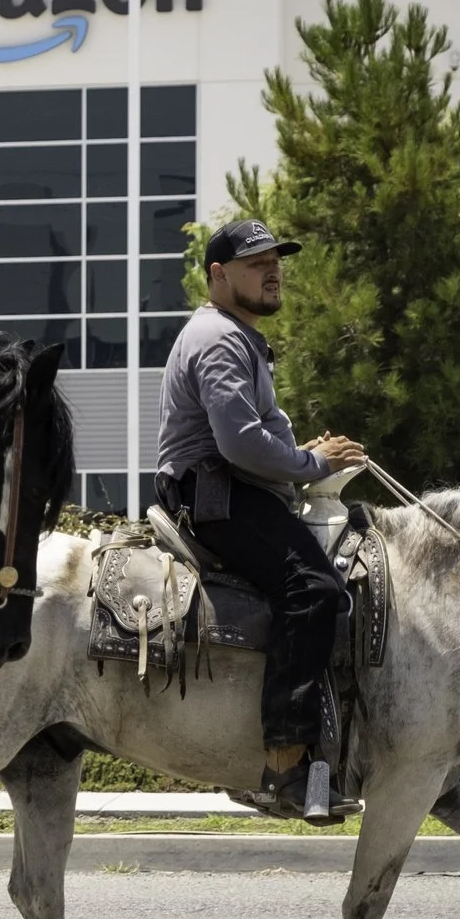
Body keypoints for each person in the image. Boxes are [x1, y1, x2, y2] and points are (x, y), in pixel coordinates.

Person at [155, 219, 366, 820]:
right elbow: (240, 443)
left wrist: (304, 457)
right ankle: (284, 769)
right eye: (255, 264)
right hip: (218, 497)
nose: (272, 272)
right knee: (315, 590)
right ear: (219, 275)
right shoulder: (220, 338)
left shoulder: (233, 334)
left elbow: (254, 438)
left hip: (232, 490)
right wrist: (312, 461)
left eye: (276, 261)